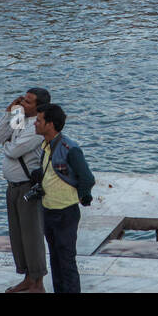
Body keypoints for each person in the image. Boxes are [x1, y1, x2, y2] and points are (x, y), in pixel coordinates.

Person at [35, 103, 95, 293]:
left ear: (50, 124)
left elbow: (87, 178)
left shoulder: (70, 148)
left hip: (65, 213)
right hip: (48, 210)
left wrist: (84, 197)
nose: (35, 123)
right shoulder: (45, 146)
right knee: (55, 259)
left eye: (39, 120)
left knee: (66, 261)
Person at [0, 87, 51, 293]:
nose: (22, 103)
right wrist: (11, 111)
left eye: (27, 102)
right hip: (12, 187)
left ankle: (38, 283)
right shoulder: (20, 119)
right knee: (18, 235)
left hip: (28, 187)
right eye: (23, 99)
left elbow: (14, 149)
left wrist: (8, 144)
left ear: (38, 108)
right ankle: (28, 277)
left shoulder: (37, 128)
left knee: (32, 235)